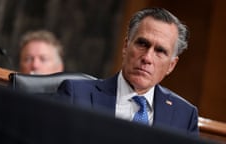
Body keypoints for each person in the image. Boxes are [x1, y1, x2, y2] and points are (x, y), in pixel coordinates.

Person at [56, 7, 199, 135]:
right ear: (126, 47)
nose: (147, 58)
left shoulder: (185, 116)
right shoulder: (76, 95)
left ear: (171, 65)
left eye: (160, 51)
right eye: (142, 44)